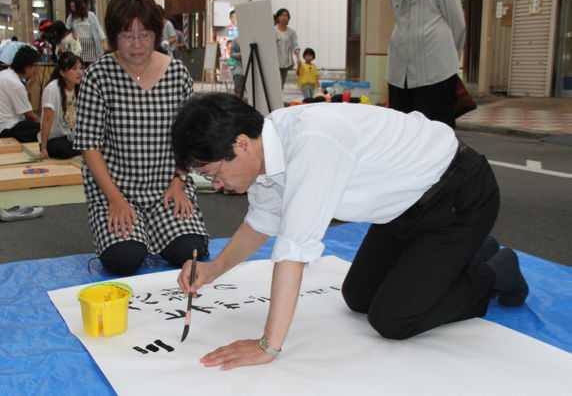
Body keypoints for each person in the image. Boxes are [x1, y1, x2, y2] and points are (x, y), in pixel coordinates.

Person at [171, 93, 528, 370]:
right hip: (401, 209)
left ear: (241, 144)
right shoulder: (266, 148)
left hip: (457, 197)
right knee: (358, 297)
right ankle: (469, 250)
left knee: (394, 320)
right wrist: (212, 270)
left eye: (212, 171)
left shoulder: (312, 142)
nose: (215, 183)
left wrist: (268, 345)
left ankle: (495, 271)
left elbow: (293, 252)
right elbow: (262, 221)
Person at [72, 0, 209, 276]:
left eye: (144, 34)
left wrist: (179, 181)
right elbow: (90, 146)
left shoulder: (177, 74)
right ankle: (130, 233)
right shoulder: (98, 76)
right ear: (112, 36)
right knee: (124, 259)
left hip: (166, 188)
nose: (136, 44)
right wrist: (115, 200)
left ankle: (160, 227)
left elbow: (188, 137)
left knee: (191, 251)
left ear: (157, 33)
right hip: (115, 189)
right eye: (126, 35)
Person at [378, 0, 465, 129]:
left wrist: (448, 60)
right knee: (404, 130)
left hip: (436, 74)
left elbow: (457, 26)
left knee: (436, 130)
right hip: (400, 75)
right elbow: (400, 22)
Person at [0, 45, 41, 142]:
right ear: (27, 67)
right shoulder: (15, 84)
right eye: (35, 66)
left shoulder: (4, 74)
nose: (35, 70)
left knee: (40, 128)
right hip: (6, 130)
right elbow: (30, 116)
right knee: (45, 131)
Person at [36, 52, 82, 160]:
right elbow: (47, 120)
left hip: (71, 137)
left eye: (81, 68)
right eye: (74, 69)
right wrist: (43, 149)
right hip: (54, 139)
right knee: (63, 150)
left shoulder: (79, 88)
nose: (79, 72)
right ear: (62, 73)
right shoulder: (52, 89)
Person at [66, 0, 108, 66]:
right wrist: (71, 34)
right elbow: (66, 30)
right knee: (79, 66)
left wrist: (104, 42)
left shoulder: (91, 16)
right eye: (72, 7)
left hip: (91, 46)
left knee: (92, 66)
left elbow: (99, 29)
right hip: (78, 47)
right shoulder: (71, 18)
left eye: (74, 7)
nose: (73, 9)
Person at [274, 8, 300, 89]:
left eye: (286, 15)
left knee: (282, 82)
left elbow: (295, 45)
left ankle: (278, 99)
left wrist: (298, 58)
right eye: (282, 15)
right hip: (275, 61)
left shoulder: (291, 32)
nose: (284, 17)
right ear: (278, 17)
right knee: (277, 82)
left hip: (286, 62)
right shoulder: (273, 30)